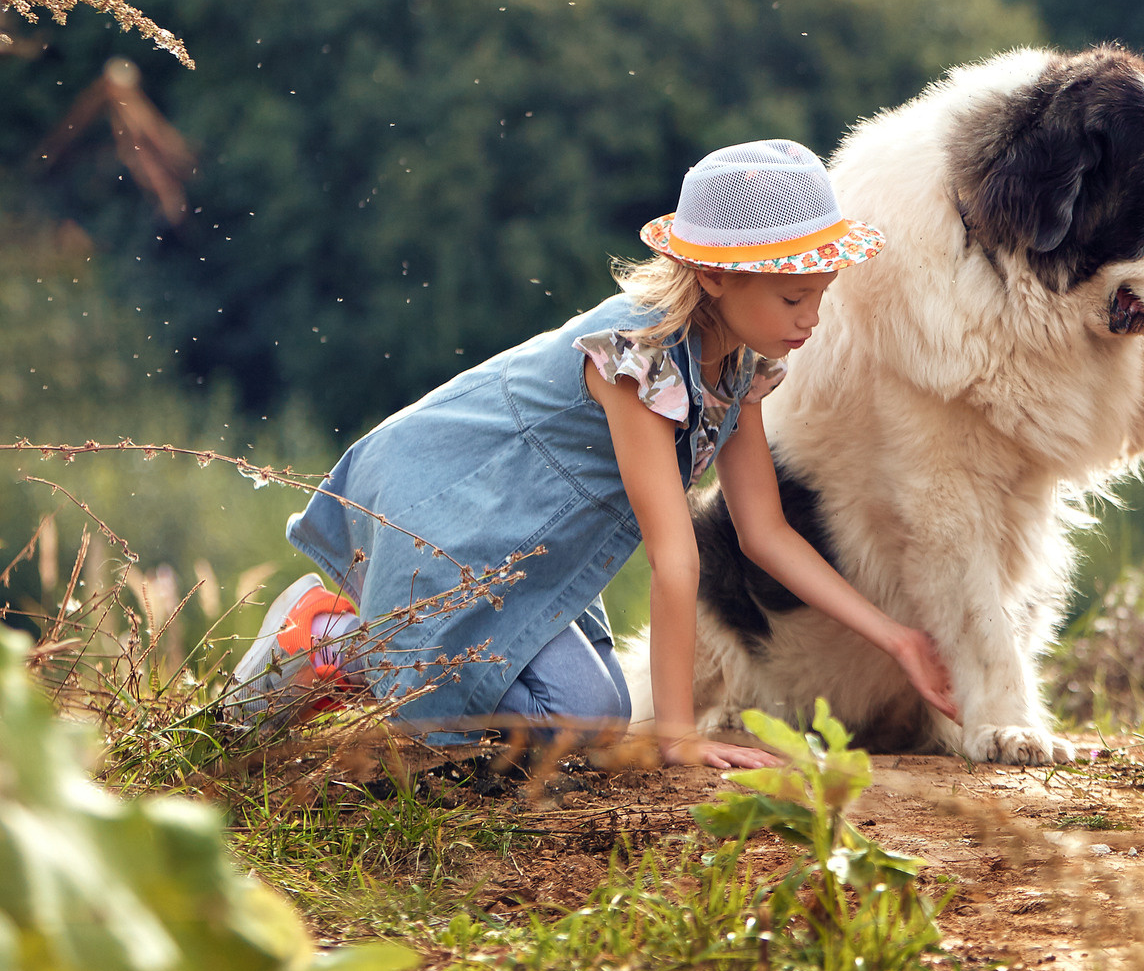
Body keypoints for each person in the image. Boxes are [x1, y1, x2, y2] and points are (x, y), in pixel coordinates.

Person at [228, 139, 959, 769]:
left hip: (530, 539)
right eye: (794, 298)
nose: (811, 319)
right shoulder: (642, 362)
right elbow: (675, 556)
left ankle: (379, 643)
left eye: (821, 296)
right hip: (460, 503)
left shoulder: (741, 361)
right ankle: (331, 637)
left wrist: (897, 640)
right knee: (460, 712)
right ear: (715, 276)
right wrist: (676, 738)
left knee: (590, 715)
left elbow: (763, 531)